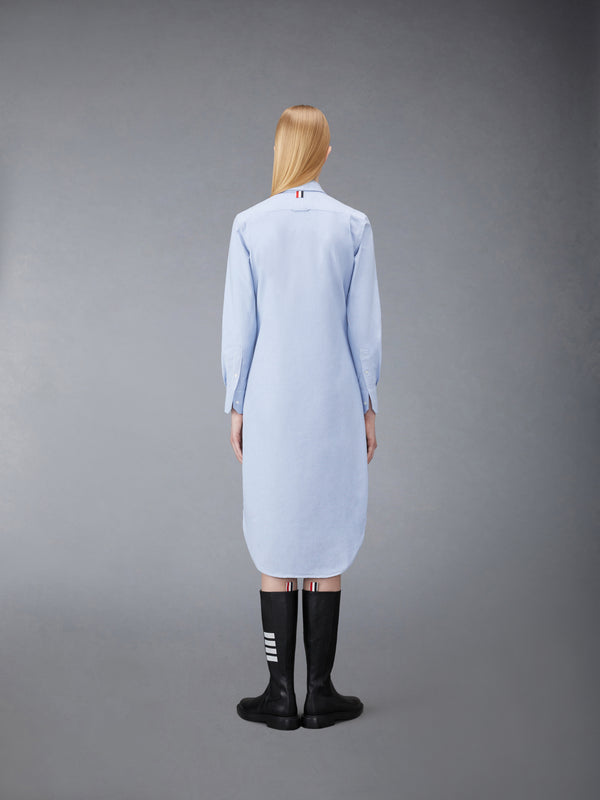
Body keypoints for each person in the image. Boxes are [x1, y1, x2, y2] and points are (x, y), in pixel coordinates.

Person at [221, 104, 382, 730]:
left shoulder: (249, 225)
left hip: (270, 403)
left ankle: (279, 693)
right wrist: (369, 404)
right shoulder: (353, 225)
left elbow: (241, 329)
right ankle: (321, 692)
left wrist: (236, 403)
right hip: (334, 402)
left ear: (280, 150)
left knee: (274, 534)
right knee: (327, 538)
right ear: (325, 152)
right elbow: (362, 331)